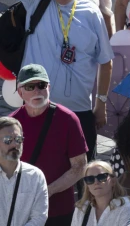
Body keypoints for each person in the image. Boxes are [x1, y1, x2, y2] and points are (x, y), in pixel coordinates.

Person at [7, 0, 113, 158]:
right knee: (36, 170)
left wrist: (101, 103)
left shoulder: (91, 12)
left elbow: (105, 62)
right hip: (38, 108)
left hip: (80, 110)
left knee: (85, 177)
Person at [10, 64, 88, 225]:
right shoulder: (10, 124)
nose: (37, 91)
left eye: (42, 85)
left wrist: (47, 191)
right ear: (20, 92)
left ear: (49, 87)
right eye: (30, 86)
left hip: (58, 211)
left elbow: (80, 166)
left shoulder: (68, 119)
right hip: (21, 210)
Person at [0, 117, 48, 226]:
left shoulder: (35, 176)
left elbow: (39, 217)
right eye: (8, 140)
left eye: (18, 139)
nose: (14, 145)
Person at [71, 160, 130, 226]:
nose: (96, 182)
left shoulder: (125, 209)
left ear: (113, 181)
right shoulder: (81, 209)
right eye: (90, 179)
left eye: (101, 177)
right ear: (87, 186)